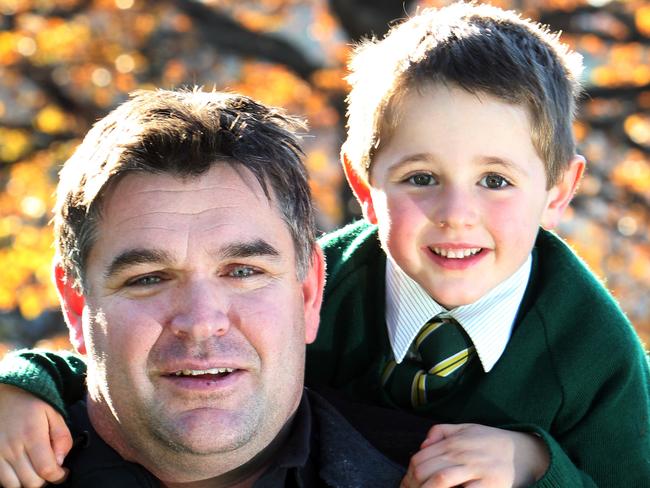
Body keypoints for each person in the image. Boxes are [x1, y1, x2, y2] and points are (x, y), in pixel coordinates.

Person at [1, 2, 649, 487]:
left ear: (559, 192)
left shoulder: (592, 351)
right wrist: (21, 386)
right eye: (421, 178)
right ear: (363, 186)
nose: (457, 214)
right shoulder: (341, 274)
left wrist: (536, 463)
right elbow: (101, 368)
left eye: (496, 181)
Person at [0, 88, 408, 487]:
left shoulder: (428, 470)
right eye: (148, 278)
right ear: (75, 303)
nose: (200, 321)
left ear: (308, 293)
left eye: (243, 272)